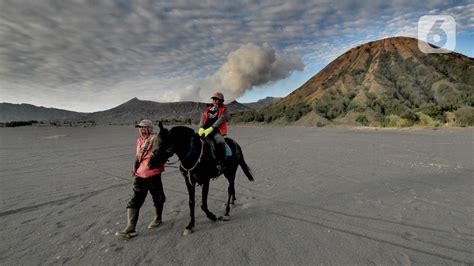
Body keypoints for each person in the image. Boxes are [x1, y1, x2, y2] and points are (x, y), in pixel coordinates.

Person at [115, 119, 166, 238]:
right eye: (140, 127)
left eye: (144, 127)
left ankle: (157, 218)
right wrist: (134, 167)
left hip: (153, 174)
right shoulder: (139, 141)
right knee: (136, 198)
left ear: (150, 128)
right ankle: (130, 228)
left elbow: (163, 153)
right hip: (140, 175)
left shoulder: (157, 139)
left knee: (158, 197)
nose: (141, 130)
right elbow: (138, 156)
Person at [198, 92, 230, 174]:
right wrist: (201, 128)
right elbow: (203, 118)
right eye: (213, 99)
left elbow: (221, 119)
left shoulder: (224, 109)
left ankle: (221, 163)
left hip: (216, 131)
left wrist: (212, 128)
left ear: (221, 101)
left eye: (217, 100)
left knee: (220, 142)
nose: (214, 101)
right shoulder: (208, 109)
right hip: (205, 130)